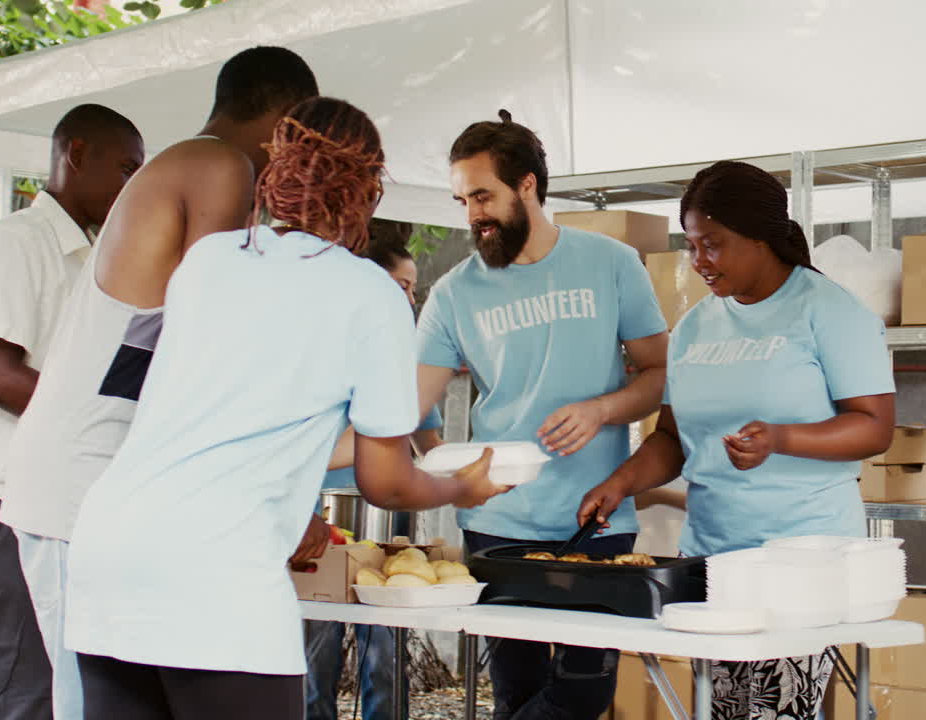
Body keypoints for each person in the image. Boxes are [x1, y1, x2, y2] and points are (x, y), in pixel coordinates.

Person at [63, 96, 503, 720]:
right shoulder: (369, 293)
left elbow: (225, 417)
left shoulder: (206, 261)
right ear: (368, 190)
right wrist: (461, 487)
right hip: (216, 568)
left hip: (108, 554)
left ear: (275, 169)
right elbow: (386, 481)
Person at [0, 46, 318, 720]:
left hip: (106, 482)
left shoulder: (191, 167)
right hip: (78, 482)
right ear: (283, 123)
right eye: (302, 140)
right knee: (87, 705)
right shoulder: (217, 164)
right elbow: (221, 335)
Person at [578, 160, 896, 720]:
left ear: (760, 235)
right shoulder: (696, 327)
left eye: (713, 245)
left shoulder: (831, 312)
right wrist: (621, 483)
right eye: (693, 246)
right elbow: (672, 439)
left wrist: (782, 438)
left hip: (803, 561)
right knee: (723, 711)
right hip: (712, 560)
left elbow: (874, 425)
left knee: (778, 712)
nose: (699, 261)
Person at [415, 111, 669, 720]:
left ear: (527, 185)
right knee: (518, 697)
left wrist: (603, 408)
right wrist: (449, 473)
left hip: (600, 519)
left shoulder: (612, 263)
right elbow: (407, 410)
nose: (472, 214)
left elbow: (662, 375)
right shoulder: (453, 292)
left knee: (584, 692)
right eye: (462, 200)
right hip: (499, 525)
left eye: (483, 195)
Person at [0, 103, 143, 720]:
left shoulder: (104, 261)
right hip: (1, 499)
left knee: (66, 695)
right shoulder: (13, 242)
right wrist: (96, 425)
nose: (134, 189)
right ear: (75, 155)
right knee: (15, 693)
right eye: (125, 170)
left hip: (65, 504)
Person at [303, 234, 443, 720]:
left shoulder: (405, 360)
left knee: (384, 641)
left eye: (412, 289)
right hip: (326, 514)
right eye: (399, 286)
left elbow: (430, 441)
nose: (408, 300)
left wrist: (465, 475)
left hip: (388, 515)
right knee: (316, 641)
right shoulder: (322, 348)